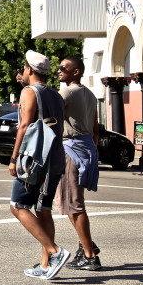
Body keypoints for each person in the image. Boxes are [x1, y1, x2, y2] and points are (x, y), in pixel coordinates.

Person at [9, 50, 70, 280]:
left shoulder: (29, 92)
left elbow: (24, 126)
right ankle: (46, 264)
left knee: (17, 206)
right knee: (43, 208)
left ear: (30, 70)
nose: (22, 72)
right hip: (55, 156)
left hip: (36, 159)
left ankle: (55, 252)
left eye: (24, 68)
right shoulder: (55, 94)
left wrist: (14, 159)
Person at [56, 56, 102, 271]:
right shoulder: (90, 95)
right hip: (86, 149)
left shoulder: (66, 92)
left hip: (71, 149)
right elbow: (95, 127)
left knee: (74, 205)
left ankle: (90, 255)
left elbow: (51, 118)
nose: (59, 70)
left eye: (63, 68)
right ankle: (87, 245)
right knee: (73, 203)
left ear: (76, 72)